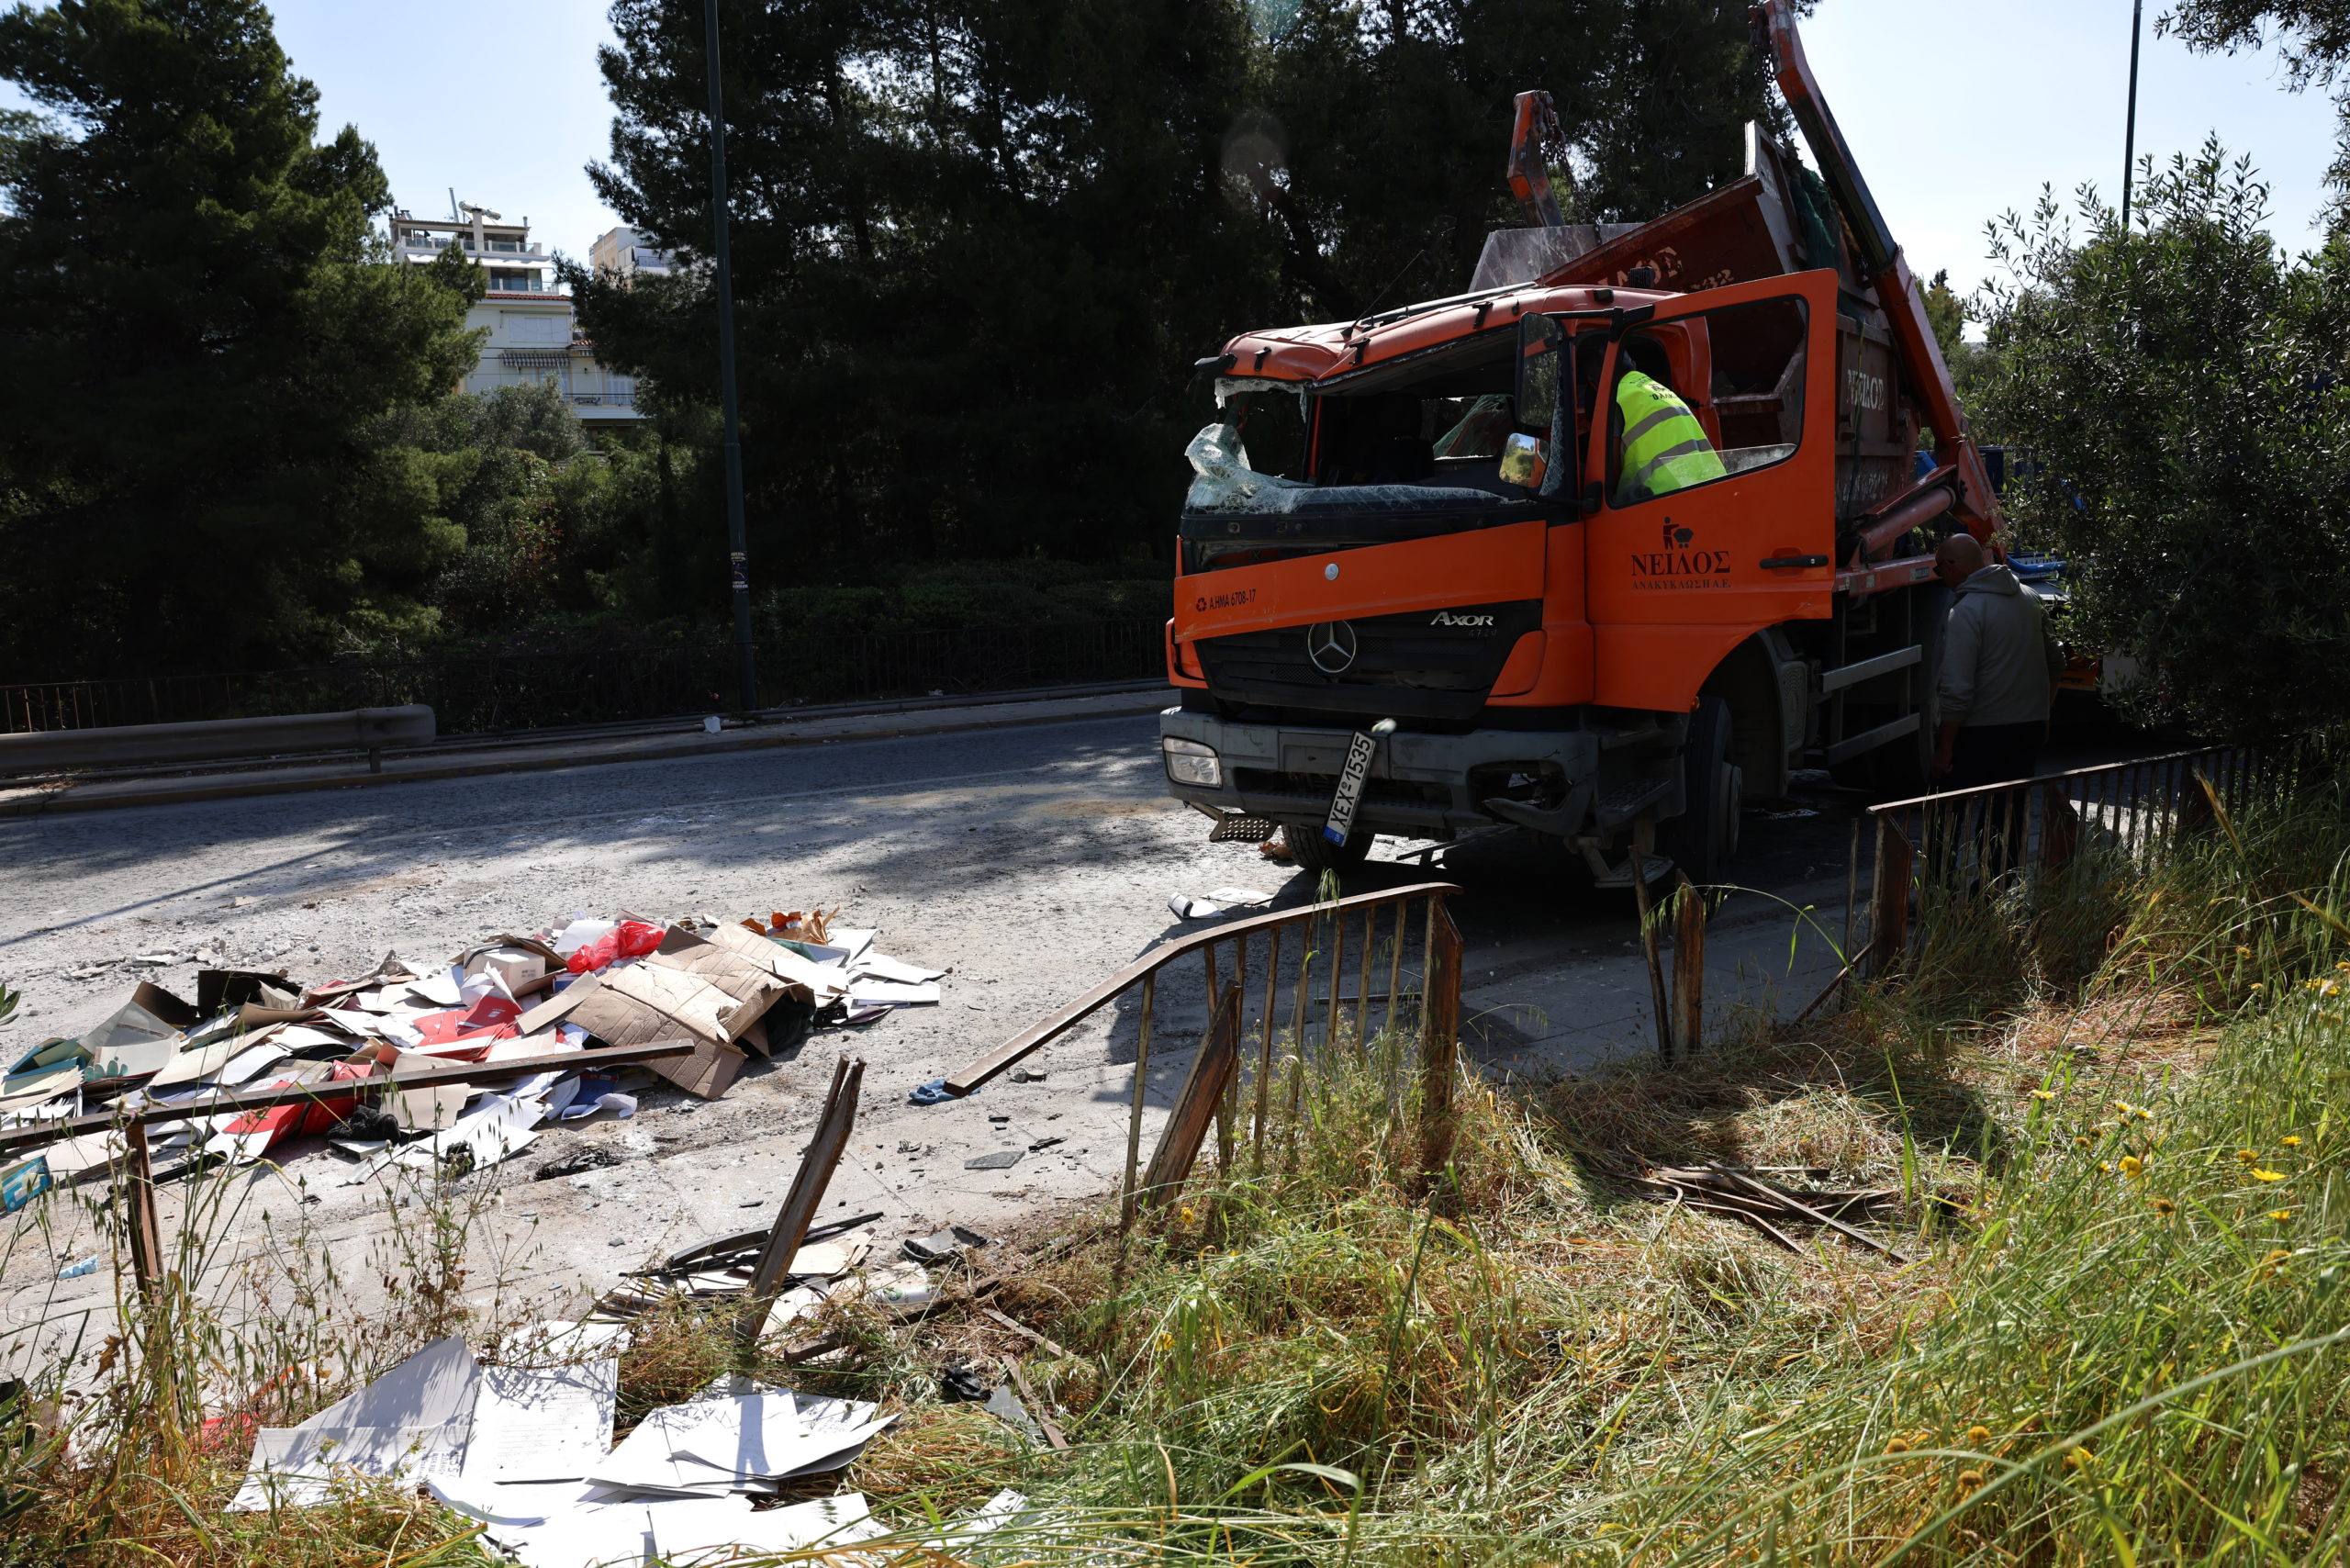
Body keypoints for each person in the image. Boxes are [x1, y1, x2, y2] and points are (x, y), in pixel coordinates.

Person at [1930, 533, 2064, 789]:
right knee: (2008, 816)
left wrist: (1945, 748)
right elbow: (2056, 662)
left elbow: (1957, 689)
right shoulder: (2031, 598)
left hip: (1981, 733)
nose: (1941, 576)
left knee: (1948, 816)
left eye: (1939, 569)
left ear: (1949, 566)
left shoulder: (1966, 611)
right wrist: (2043, 715)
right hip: (2028, 729)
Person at [1609, 338, 1726, 504]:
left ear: (1594, 384)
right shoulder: (1661, 389)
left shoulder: (1616, 399)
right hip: (1714, 484)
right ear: (1634, 364)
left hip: (1665, 497)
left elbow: (1608, 473)